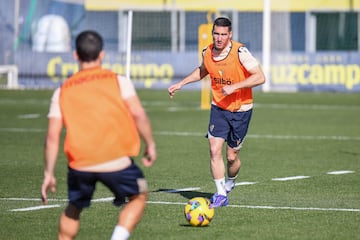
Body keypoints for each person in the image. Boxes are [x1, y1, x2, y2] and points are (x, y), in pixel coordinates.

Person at [41, 30, 157, 240]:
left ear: (75, 55)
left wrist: (48, 174)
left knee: (74, 208)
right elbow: (138, 114)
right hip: (116, 161)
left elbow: (52, 136)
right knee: (139, 195)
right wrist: (150, 144)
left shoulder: (62, 91)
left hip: (80, 164)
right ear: (102, 55)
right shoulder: (118, 81)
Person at [168, 17, 265, 207]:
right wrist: (181, 83)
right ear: (212, 34)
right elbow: (203, 70)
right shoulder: (207, 51)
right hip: (219, 108)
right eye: (216, 34)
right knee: (214, 150)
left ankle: (231, 181)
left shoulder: (240, 52)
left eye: (223, 34)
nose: (219, 38)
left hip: (241, 110)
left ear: (230, 35)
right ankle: (221, 194)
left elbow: (260, 77)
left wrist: (235, 87)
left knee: (231, 157)